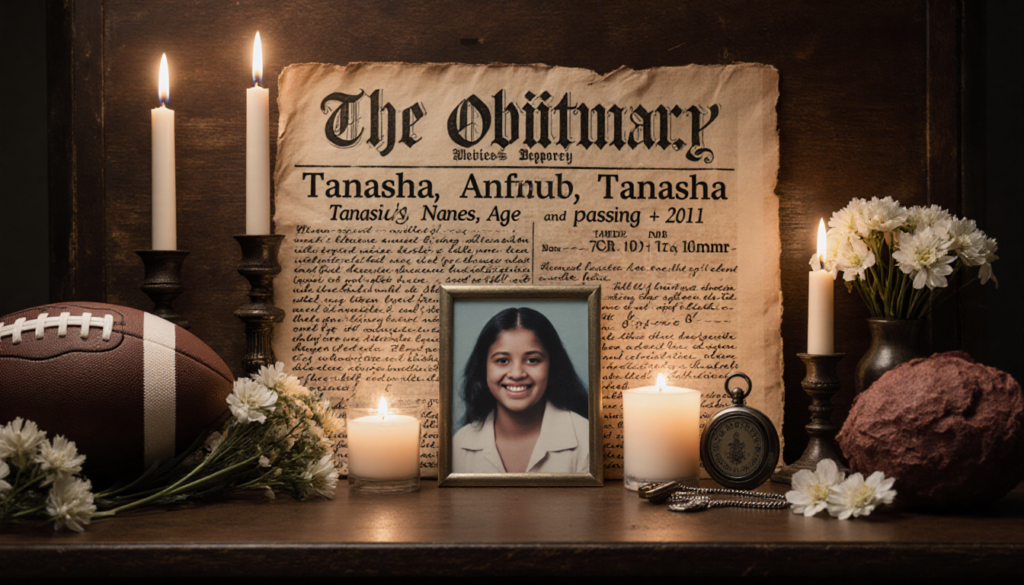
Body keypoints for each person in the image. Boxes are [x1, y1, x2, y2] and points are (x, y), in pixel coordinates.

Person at [453, 307, 589, 474]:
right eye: (502, 360)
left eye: (532, 360)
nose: (517, 374)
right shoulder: (459, 446)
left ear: (552, 366)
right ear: (483, 368)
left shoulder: (586, 439)